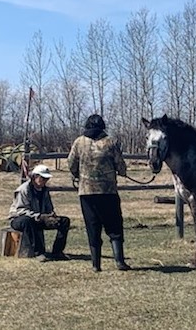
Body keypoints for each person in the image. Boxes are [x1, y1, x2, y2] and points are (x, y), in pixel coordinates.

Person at [67, 114, 131, 272]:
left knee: (92, 226)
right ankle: (119, 261)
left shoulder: (79, 142)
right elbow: (120, 165)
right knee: (114, 225)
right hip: (108, 192)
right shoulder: (111, 142)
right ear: (102, 126)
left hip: (86, 193)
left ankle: (96, 264)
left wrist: (76, 174)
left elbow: (71, 163)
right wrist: (122, 172)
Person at [9, 164, 71, 262]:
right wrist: (39, 216)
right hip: (18, 219)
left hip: (39, 218)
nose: (45, 181)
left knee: (64, 221)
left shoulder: (45, 190)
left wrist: (51, 215)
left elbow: (49, 208)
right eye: (43, 178)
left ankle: (57, 252)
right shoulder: (24, 189)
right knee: (27, 221)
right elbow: (21, 210)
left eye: (46, 179)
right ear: (34, 177)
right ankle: (39, 252)